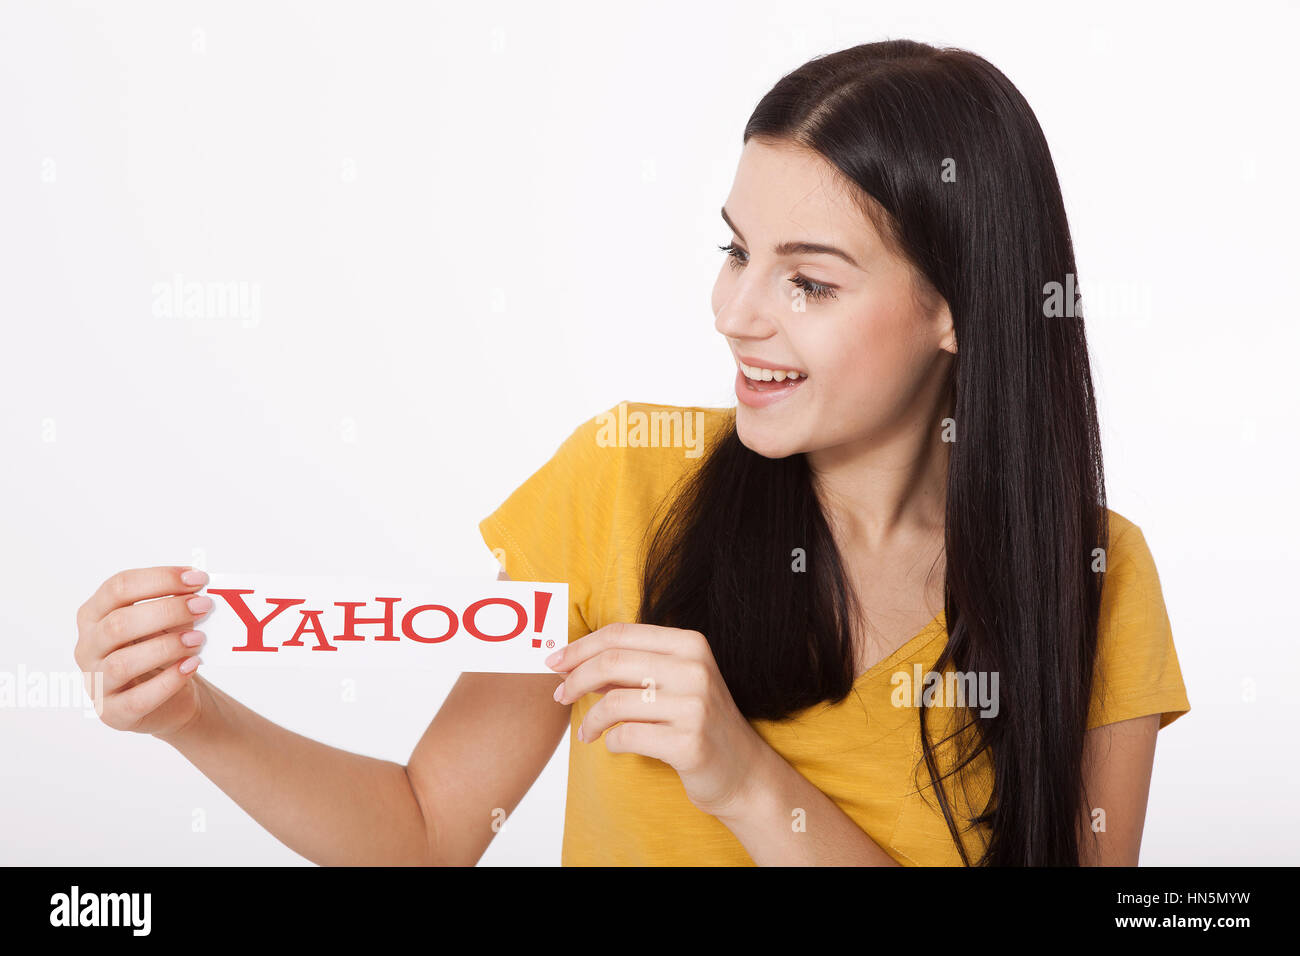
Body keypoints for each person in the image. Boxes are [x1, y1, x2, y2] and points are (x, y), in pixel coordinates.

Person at [73, 39, 1189, 866]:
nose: (736, 312)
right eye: (735, 249)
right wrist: (189, 714)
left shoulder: (1093, 575)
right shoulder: (624, 480)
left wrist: (747, 780)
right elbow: (425, 829)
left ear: (958, 307)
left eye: (808, 278)